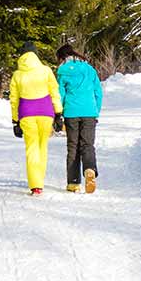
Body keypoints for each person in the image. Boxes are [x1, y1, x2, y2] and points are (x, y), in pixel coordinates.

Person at [9, 42, 63, 196]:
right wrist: (58, 113)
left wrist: (15, 120)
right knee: (42, 147)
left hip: (26, 113)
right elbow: (54, 92)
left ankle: (36, 186)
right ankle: (40, 180)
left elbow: (14, 99)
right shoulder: (46, 71)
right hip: (46, 112)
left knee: (31, 149)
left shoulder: (17, 75)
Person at [56, 44, 102, 194]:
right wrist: (96, 111)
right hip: (89, 112)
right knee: (87, 144)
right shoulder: (90, 69)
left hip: (71, 113)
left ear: (62, 57)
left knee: (73, 147)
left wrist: (59, 112)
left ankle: (73, 182)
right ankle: (89, 169)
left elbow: (59, 95)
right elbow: (98, 93)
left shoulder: (62, 71)